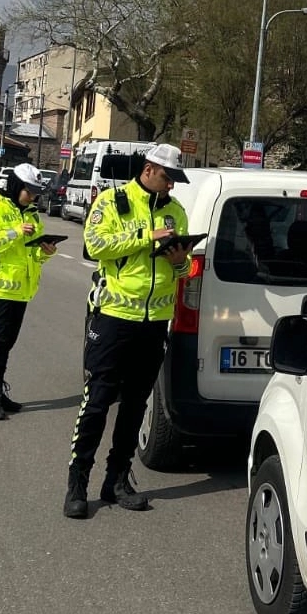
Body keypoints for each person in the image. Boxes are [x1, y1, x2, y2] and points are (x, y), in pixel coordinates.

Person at [64, 143, 193, 517]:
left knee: (136, 404)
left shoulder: (176, 211)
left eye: (175, 180)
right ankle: (77, 484)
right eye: (167, 178)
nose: (171, 186)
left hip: (154, 322)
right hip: (114, 318)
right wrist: (146, 236)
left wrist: (180, 260)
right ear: (149, 170)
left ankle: (117, 480)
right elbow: (94, 246)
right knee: (97, 402)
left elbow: (184, 270)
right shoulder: (112, 201)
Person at [0, 162, 58, 420]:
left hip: (22, 290)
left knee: (6, 344)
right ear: (15, 186)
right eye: (28, 191)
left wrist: (46, 252)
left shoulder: (32, 215)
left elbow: (32, 255)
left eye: (36, 193)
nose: (32, 197)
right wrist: (14, 232)